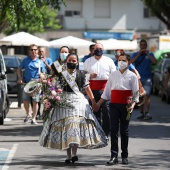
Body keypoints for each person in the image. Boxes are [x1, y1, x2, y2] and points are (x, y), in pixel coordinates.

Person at [38, 53, 107, 163]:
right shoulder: (61, 74)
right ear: (66, 62)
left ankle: (74, 154)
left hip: (78, 101)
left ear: (77, 62)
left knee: (74, 127)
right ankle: (68, 156)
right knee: (67, 127)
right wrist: (51, 97)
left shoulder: (82, 74)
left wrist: (93, 101)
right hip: (63, 101)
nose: (72, 62)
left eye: (74, 60)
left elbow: (87, 88)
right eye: (70, 60)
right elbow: (54, 87)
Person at [96, 54, 139, 165]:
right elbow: (106, 93)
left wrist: (133, 104)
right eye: (119, 60)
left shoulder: (132, 76)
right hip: (114, 104)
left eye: (124, 60)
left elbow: (136, 93)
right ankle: (114, 156)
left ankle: (124, 155)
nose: (121, 62)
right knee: (113, 130)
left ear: (128, 62)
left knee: (124, 130)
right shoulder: (113, 75)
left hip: (126, 105)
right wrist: (98, 104)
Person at [83, 43, 116, 139]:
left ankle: (106, 133)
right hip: (92, 89)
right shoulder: (88, 61)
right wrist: (90, 76)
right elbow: (83, 76)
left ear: (103, 49)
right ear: (93, 50)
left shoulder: (109, 61)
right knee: (94, 111)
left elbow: (114, 75)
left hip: (106, 89)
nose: (98, 50)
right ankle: (96, 132)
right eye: (96, 48)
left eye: (100, 48)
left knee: (107, 111)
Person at [17, 44, 45, 125]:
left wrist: (42, 76)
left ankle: (34, 118)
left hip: (36, 84)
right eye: (32, 50)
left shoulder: (40, 61)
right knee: (25, 101)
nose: (33, 51)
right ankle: (28, 114)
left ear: (37, 51)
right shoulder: (25, 60)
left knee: (35, 101)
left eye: (35, 49)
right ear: (29, 51)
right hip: (27, 83)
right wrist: (19, 78)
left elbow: (43, 73)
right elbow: (18, 69)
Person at [131, 39, 157, 120]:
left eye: (144, 45)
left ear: (146, 46)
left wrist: (147, 54)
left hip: (147, 78)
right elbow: (131, 62)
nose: (143, 46)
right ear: (139, 46)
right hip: (138, 79)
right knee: (140, 97)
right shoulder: (135, 54)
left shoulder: (150, 54)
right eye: (141, 45)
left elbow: (155, 62)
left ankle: (147, 112)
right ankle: (141, 113)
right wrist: (139, 55)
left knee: (147, 95)